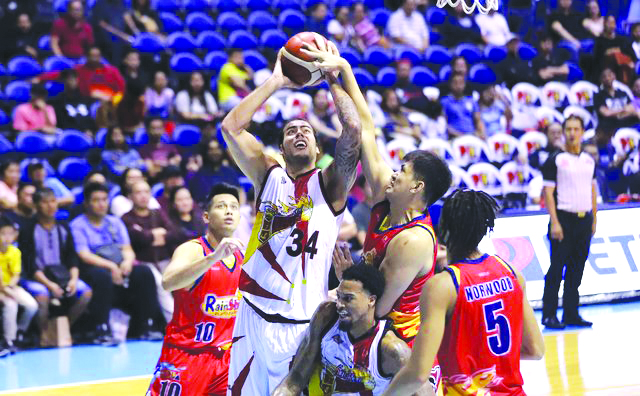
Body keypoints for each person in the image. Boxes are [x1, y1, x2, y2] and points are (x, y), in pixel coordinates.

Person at [223, 39, 362, 394]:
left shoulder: (330, 185)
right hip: (252, 317)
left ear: (317, 148)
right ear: (283, 148)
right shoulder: (268, 174)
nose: (298, 133)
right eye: (290, 132)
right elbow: (231, 128)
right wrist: (276, 82)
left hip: (304, 325)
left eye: (306, 131)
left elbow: (353, 133)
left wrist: (332, 78)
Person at [315, 42, 451, 390]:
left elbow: (376, 307)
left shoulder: (413, 240)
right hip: (368, 335)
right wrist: (340, 72)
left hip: (398, 354)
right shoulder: (386, 202)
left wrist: (349, 278)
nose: (392, 174)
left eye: (402, 171)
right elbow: (366, 130)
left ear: (417, 187)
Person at [381, 189, 544, 395]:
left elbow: (418, 373)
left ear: (444, 232)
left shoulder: (442, 286)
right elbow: (535, 349)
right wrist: (487, 361)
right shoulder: (512, 273)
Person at [148, 183, 244, 396]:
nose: (229, 210)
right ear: (206, 217)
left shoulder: (241, 256)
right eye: (221, 206)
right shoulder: (192, 249)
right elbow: (168, 282)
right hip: (185, 356)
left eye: (234, 207)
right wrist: (212, 258)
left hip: (225, 359)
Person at [273, 265, 420, 396]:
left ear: (371, 300)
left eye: (348, 299)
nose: (339, 305)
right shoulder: (326, 317)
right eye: (339, 297)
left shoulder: (392, 351)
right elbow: (295, 381)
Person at [71, 182, 162, 343]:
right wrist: (111, 267)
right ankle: (101, 329)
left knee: (144, 272)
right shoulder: (78, 225)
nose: (101, 204)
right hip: (93, 267)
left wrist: (127, 262)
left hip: (118, 264)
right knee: (101, 277)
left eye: (104, 199)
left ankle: (145, 326)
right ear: (86, 203)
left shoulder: (115, 222)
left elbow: (127, 249)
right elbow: (83, 254)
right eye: (96, 200)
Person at [541, 115, 597, 329]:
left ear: (582, 132)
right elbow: (548, 192)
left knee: (577, 268)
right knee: (556, 268)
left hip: (584, 219)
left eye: (576, 129)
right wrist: (554, 222)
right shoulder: (555, 159)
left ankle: (571, 313)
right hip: (563, 219)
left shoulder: (589, 160)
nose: (572, 133)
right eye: (569, 129)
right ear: (564, 132)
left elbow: (592, 190)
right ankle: (549, 314)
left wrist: (594, 219)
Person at [18, 188, 92, 345]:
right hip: (37, 277)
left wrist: (73, 280)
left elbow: (72, 258)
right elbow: (30, 266)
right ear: (37, 205)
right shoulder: (28, 229)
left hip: (62, 275)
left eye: (52, 201)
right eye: (45, 202)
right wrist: (50, 285)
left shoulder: (64, 226)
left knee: (85, 292)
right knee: (42, 295)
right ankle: (43, 333)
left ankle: (64, 328)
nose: (50, 206)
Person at [122, 180, 178, 323]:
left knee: (185, 278)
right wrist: (157, 234)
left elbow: (173, 233)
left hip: (166, 260)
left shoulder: (157, 213)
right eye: (138, 192)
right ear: (130, 196)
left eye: (146, 192)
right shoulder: (126, 218)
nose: (143, 196)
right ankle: (175, 324)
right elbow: (138, 238)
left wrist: (149, 235)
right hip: (144, 263)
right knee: (162, 284)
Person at [0, 216, 38, 353]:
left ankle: (20, 332)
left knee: (31, 305)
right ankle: (8, 340)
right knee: (11, 304)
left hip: (10, 287)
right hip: (1, 289)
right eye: (3, 233)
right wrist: (7, 291)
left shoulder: (15, 252)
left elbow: (16, 274)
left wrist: (11, 287)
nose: (7, 237)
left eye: (10, 233)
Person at [36, 46, 125, 100]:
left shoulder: (112, 71)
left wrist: (113, 100)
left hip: (109, 103)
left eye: (97, 56)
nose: (94, 58)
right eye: (92, 56)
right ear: (86, 57)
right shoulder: (79, 69)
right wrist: (40, 78)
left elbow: (122, 90)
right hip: (85, 101)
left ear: (101, 57)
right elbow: (59, 74)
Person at [186, 139, 242, 204]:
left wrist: (241, 207)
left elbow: (240, 191)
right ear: (206, 152)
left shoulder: (230, 172)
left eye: (217, 149)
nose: (214, 152)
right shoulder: (199, 175)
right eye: (211, 149)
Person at [594, 68, 637, 141]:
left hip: (626, 124)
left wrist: (618, 114)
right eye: (604, 76)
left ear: (614, 76)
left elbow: (632, 108)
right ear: (601, 79)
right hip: (609, 128)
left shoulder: (622, 93)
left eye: (609, 75)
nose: (607, 78)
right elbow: (606, 113)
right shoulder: (599, 96)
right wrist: (622, 110)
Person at [51, 69, 97, 134]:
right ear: (63, 81)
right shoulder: (58, 101)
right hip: (70, 135)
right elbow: (62, 123)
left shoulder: (85, 99)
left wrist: (91, 130)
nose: (72, 81)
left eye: (74, 78)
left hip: (88, 134)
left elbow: (90, 119)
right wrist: (82, 131)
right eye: (69, 78)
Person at [441, 73, 486, 139]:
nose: (458, 86)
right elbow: (443, 124)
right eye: (455, 83)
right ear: (450, 84)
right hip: (454, 137)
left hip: (472, 136)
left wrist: (481, 133)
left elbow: (478, 120)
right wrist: (461, 135)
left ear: (464, 84)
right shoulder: (444, 102)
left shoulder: (471, 101)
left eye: (461, 83)